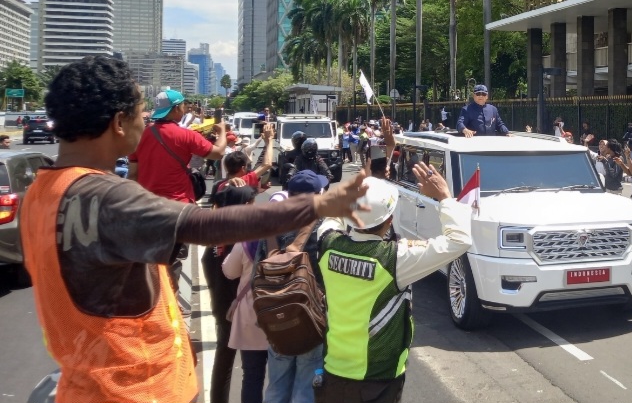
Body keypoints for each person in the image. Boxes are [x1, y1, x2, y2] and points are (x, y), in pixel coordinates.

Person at [19, 55, 372, 403]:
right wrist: (315, 206)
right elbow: (205, 224)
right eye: (141, 113)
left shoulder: (40, 193)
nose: (147, 123)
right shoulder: (102, 195)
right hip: (137, 387)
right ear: (119, 122)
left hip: (87, 382)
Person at [314, 162, 472, 401]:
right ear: (389, 221)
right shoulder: (394, 258)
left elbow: (332, 216)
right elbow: (459, 241)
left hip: (333, 373)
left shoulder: (327, 244)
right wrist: (445, 198)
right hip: (378, 380)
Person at [129, 89, 229, 292]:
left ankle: (155, 297)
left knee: (152, 259)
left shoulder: (140, 136)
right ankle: (170, 303)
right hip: (178, 209)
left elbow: (132, 174)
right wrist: (223, 133)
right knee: (173, 259)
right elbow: (218, 153)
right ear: (175, 109)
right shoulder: (185, 135)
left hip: (148, 208)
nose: (184, 109)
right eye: (183, 105)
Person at [262, 170, 330, 403]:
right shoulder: (324, 227)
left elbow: (260, 265)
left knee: (276, 385)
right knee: (305, 386)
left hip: (275, 313)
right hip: (310, 315)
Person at [201, 183, 258, 403]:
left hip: (221, 307)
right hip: (241, 309)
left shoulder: (215, 234)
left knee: (223, 360)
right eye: (251, 203)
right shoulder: (244, 236)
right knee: (252, 369)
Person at [223, 227, 271, 403]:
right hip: (280, 315)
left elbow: (229, 272)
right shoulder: (288, 242)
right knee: (280, 379)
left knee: (252, 376)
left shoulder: (245, 243)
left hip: (250, 317)